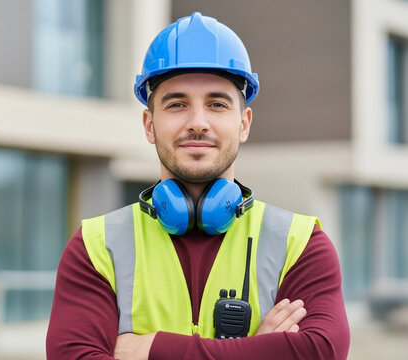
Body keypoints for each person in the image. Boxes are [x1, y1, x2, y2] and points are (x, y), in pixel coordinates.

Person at [46, 11, 350, 360]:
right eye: (177, 105)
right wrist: (258, 350)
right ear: (149, 124)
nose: (197, 123)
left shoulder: (300, 244)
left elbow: (320, 351)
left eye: (217, 104)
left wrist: (151, 348)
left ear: (244, 123)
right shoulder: (96, 247)